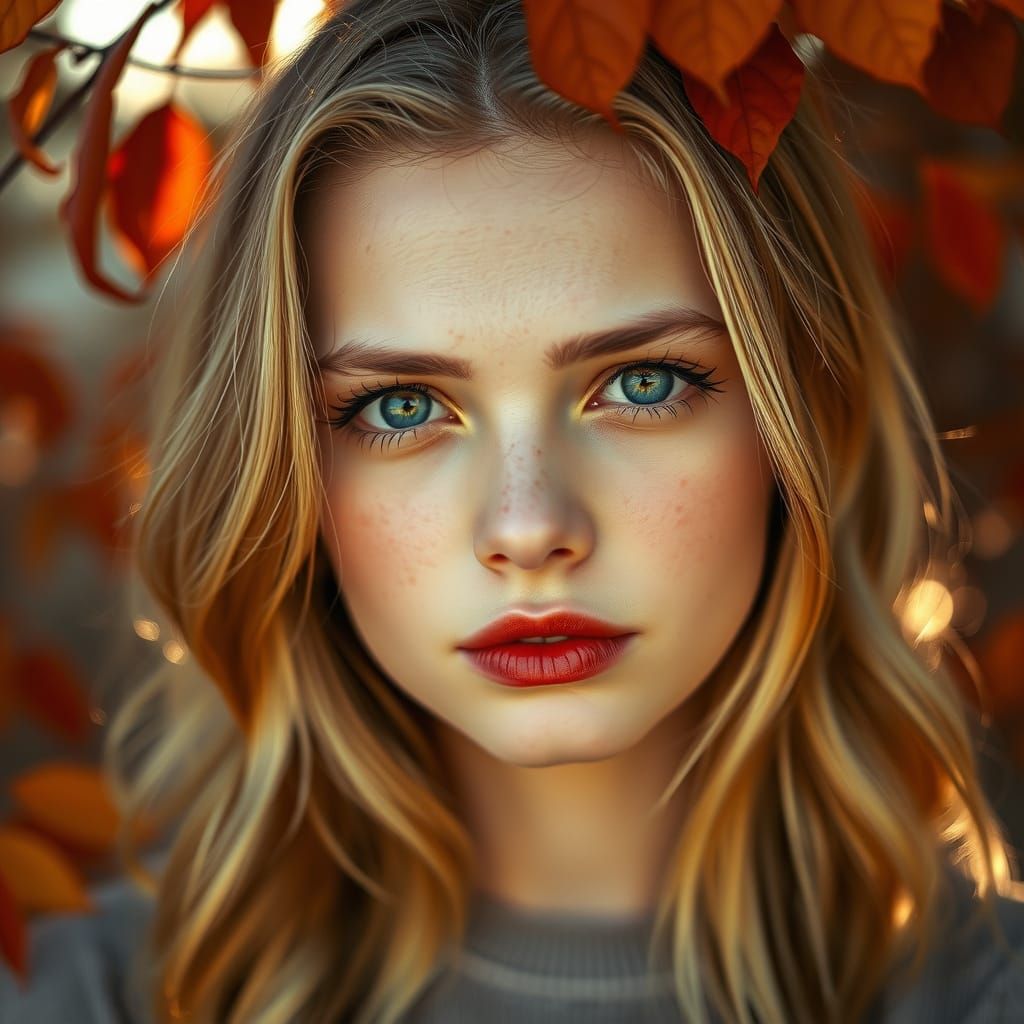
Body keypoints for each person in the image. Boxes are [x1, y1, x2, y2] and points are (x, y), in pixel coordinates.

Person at [3, 0, 1024, 1021]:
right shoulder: (77, 1001)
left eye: (641, 384)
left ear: (801, 413)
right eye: (400, 407)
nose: (528, 528)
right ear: (281, 474)